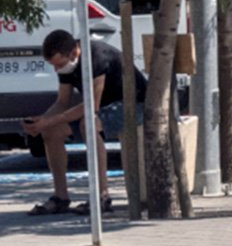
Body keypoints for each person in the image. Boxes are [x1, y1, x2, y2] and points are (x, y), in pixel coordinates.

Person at [23, 29, 147, 216]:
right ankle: (61, 196)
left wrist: (49, 121)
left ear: (74, 53)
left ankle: (102, 196)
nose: (57, 70)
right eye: (54, 66)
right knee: (51, 131)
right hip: (103, 107)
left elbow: (92, 105)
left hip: (131, 104)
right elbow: (62, 102)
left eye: (59, 65)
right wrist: (42, 122)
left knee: (88, 124)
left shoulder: (95, 57)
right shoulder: (67, 64)